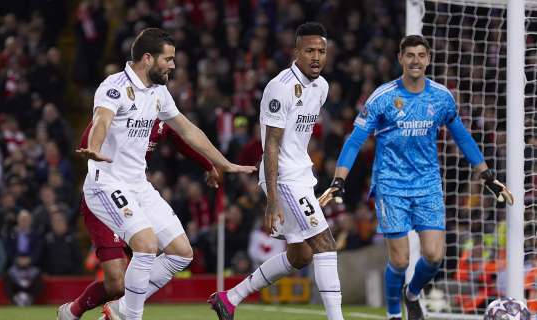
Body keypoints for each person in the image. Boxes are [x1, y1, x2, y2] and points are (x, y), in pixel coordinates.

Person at [318, 35, 513, 320]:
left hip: (427, 184)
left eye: (421, 55)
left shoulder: (441, 97)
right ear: (400, 58)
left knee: (434, 255)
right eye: (410, 55)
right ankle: (394, 313)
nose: (416, 61)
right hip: (391, 185)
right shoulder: (383, 98)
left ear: (429, 58)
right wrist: (339, 181)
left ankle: (412, 294)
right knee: (400, 259)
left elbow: (463, 137)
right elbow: (354, 140)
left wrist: (487, 176)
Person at [72, 28, 255, 320]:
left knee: (182, 253)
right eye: (168, 59)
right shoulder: (114, 86)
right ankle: (130, 317)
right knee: (146, 246)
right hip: (105, 183)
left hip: (137, 185)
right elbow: (101, 120)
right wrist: (94, 147)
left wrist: (223, 162)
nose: (172, 65)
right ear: (147, 58)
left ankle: (118, 310)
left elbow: (187, 130)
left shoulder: (159, 92)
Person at [208, 22, 344, 320]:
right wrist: (271, 199)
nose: (316, 57)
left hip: (302, 175)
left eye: (321, 51)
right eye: (309, 50)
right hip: (282, 178)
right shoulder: (280, 88)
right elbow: (271, 146)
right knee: (324, 243)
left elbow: (300, 138)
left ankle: (230, 298)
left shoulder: (322, 87)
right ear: (296, 52)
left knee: (301, 255)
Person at [57, 116, 220, 319]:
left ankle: (118, 309)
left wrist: (208, 165)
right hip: (106, 194)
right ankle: (75, 311)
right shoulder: (123, 107)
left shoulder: (163, 113)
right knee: (117, 282)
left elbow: (183, 141)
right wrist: (97, 149)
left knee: (173, 256)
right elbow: (87, 141)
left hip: (135, 194)